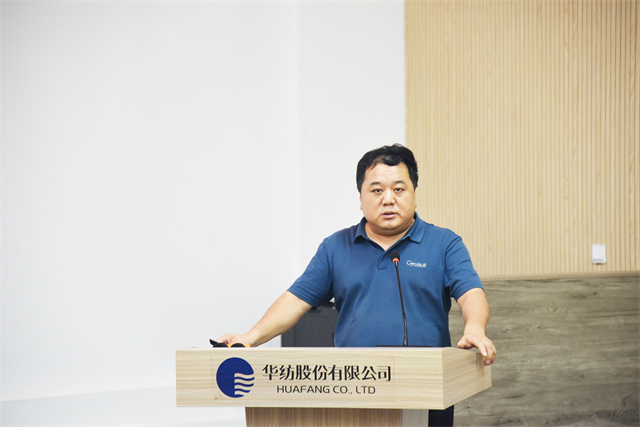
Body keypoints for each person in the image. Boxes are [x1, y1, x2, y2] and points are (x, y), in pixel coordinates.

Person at [218, 144, 496, 426]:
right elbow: (295, 300)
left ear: (414, 194)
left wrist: (474, 328)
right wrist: (250, 337)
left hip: (427, 387)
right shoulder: (336, 247)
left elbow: (470, 292)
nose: (388, 199)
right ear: (361, 198)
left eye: (399, 189)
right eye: (377, 190)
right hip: (354, 389)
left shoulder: (445, 243)